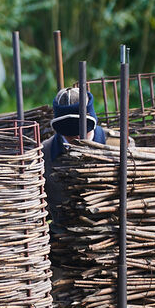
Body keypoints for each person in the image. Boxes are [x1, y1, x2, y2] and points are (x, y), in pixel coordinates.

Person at [42, 88, 124, 232]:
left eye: (82, 131)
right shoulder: (44, 153)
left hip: (112, 234)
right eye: (69, 134)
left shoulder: (119, 146)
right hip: (63, 239)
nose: (77, 138)